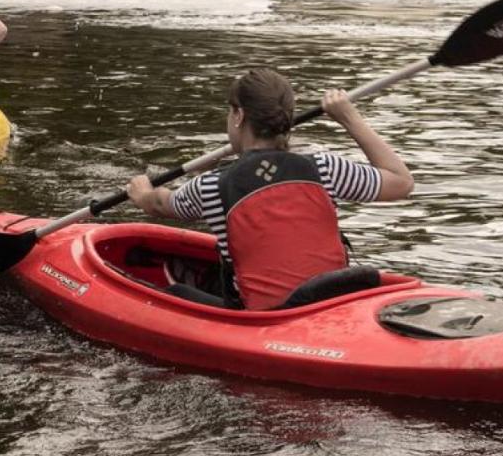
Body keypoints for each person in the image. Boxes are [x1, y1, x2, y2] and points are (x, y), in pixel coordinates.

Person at [127, 67, 414, 310]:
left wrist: (142, 192)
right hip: (334, 303)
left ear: (238, 116)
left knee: (176, 294)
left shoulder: (212, 185)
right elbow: (401, 182)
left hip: (270, 317)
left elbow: (161, 204)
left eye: (230, 113)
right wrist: (350, 118)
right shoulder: (326, 168)